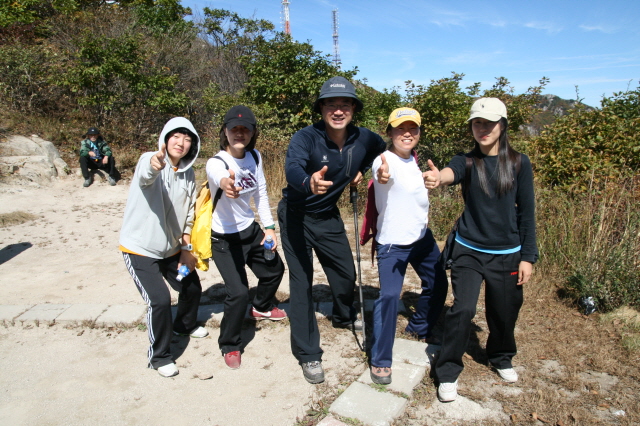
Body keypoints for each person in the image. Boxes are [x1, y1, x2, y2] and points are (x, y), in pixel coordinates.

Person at [425, 98, 538, 402]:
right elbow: (449, 173)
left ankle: (501, 356)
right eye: (477, 123)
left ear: (503, 125)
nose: (483, 128)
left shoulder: (519, 163)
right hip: (469, 249)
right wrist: (437, 178)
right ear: (471, 127)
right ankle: (448, 371)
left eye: (489, 123)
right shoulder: (466, 161)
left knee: (505, 310)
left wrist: (528, 257)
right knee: (463, 309)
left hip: (508, 252)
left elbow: (527, 213)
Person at [278, 76, 386, 384]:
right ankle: (308, 353)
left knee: (345, 274)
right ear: (321, 108)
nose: (338, 111)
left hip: (327, 216)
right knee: (302, 283)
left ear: (354, 108)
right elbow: (292, 168)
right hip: (295, 216)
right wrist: (308, 181)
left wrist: (362, 170)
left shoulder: (364, 138)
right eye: (331, 105)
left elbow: (381, 149)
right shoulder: (306, 137)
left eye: (345, 105)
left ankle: (342, 316)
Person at [119, 117, 207, 378]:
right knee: (159, 300)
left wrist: (186, 249)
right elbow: (146, 174)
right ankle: (159, 357)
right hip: (140, 248)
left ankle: (184, 325)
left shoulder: (189, 173)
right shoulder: (149, 159)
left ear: (193, 145)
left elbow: (189, 213)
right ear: (166, 139)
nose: (181, 143)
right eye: (176, 136)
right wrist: (154, 165)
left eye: (187, 139)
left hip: (171, 248)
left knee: (191, 287)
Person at [368, 107, 448, 385]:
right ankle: (380, 360)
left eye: (412, 128)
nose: (407, 133)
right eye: (400, 128)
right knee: (390, 297)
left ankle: (419, 327)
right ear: (390, 133)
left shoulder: (415, 160)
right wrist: (382, 175)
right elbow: (381, 175)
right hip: (393, 243)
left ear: (419, 132)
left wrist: (434, 180)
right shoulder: (383, 161)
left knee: (438, 283)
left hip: (421, 238)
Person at [206, 105, 287, 370]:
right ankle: (229, 344)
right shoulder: (216, 163)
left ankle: (261, 306)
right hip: (223, 238)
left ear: (253, 133)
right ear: (225, 132)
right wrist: (227, 184)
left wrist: (269, 227)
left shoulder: (254, 156)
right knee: (238, 293)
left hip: (249, 230)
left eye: (245, 129)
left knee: (275, 269)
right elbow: (220, 178)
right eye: (234, 129)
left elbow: (261, 193)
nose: (239, 133)